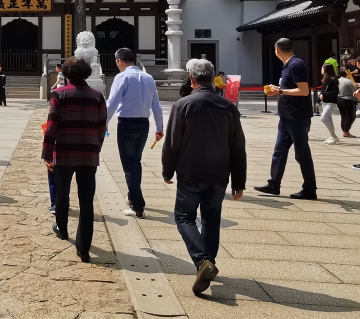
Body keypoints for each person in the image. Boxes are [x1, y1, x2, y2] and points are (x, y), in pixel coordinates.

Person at [160, 58, 246, 295]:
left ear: (191, 78)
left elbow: (172, 143)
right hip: (219, 173)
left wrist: (168, 169)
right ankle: (208, 262)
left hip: (190, 172)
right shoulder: (228, 107)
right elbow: (238, 146)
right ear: (212, 78)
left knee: (184, 217)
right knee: (211, 220)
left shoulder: (183, 105)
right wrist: (239, 182)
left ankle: (202, 262)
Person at [43, 57, 107, 263]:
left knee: (62, 192)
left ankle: (62, 228)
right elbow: (101, 127)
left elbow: (51, 126)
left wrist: (47, 154)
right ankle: (84, 247)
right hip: (88, 153)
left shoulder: (59, 95)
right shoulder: (97, 97)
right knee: (86, 201)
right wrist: (96, 147)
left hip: (64, 152)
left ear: (67, 75)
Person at [255, 37, 317, 200]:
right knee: (279, 152)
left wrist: (280, 92)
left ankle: (310, 188)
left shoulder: (295, 64)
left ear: (277, 50)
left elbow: (304, 91)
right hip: (287, 116)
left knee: (301, 153)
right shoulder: (288, 65)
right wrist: (279, 89)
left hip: (297, 116)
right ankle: (273, 184)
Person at [104, 47, 164, 218]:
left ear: (119, 61)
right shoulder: (148, 77)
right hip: (143, 124)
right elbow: (156, 106)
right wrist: (159, 129)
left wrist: (104, 123)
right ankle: (132, 196)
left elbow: (112, 103)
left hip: (127, 123)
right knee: (135, 161)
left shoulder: (122, 77)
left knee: (129, 165)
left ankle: (138, 206)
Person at [318, 63, 340, 144]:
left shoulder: (333, 79)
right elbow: (323, 90)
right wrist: (319, 99)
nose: (321, 69)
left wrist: (324, 94)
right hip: (324, 101)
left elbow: (336, 91)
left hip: (331, 101)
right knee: (328, 119)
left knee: (323, 118)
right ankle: (332, 135)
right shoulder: (324, 79)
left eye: (323, 68)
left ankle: (334, 136)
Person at [337, 68, 357, 138]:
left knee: (343, 116)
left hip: (339, 99)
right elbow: (355, 91)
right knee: (350, 116)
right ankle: (346, 131)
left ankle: (344, 130)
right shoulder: (349, 81)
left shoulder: (337, 81)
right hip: (348, 99)